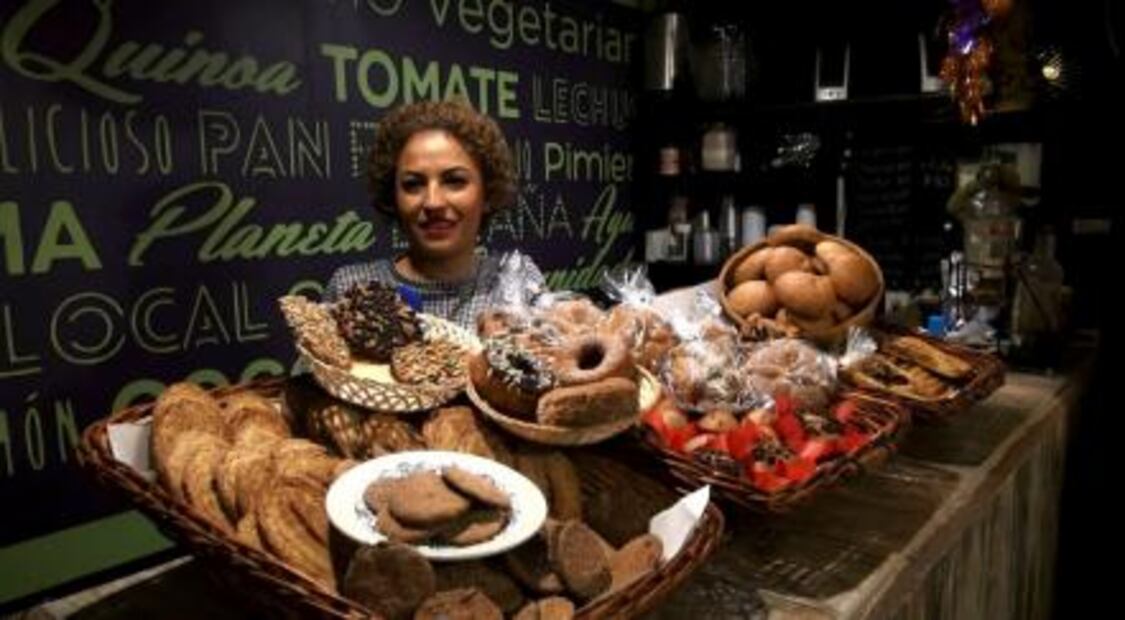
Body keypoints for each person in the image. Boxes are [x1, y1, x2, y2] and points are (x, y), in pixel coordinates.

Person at [326, 100, 544, 328]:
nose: (433, 202)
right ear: (392, 196)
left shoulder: (517, 282)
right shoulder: (351, 289)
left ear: (487, 192)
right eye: (413, 184)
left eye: (454, 181)